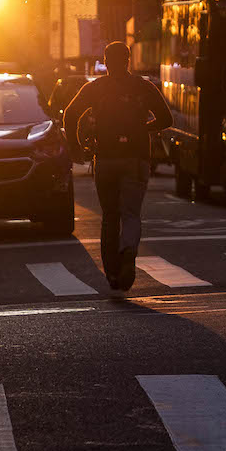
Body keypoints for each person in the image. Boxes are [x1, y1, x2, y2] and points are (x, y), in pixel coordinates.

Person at [62, 42, 173, 290]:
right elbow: (167, 119)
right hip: (136, 158)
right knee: (131, 214)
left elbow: (70, 114)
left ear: (105, 62)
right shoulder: (143, 87)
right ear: (129, 60)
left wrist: (76, 146)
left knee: (109, 217)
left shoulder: (95, 88)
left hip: (105, 159)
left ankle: (112, 273)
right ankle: (128, 251)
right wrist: (142, 129)